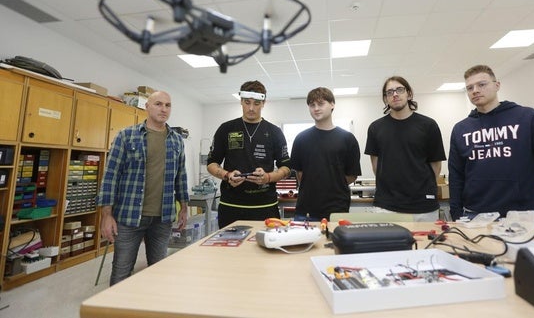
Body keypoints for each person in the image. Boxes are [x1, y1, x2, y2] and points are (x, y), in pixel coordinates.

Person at [98, 91, 189, 286]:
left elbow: (181, 176)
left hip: (162, 218)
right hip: (129, 217)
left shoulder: (176, 141)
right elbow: (110, 176)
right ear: (147, 107)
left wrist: (184, 207)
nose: (163, 109)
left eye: (168, 105)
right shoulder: (126, 136)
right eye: (158, 104)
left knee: (158, 272)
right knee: (121, 273)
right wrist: (106, 214)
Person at [448, 65, 534, 220]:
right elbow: (456, 176)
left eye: (482, 84)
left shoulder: (527, 117)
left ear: (497, 85)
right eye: (469, 88)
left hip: (522, 213)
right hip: (475, 214)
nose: (475, 90)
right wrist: (455, 213)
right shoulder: (461, 129)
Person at [207, 81, 291, 228]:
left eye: (257, 103)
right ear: (241, 101)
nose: (251, 108)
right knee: (230, 250)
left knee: (267, 248)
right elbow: (211, 163)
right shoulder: (226, 129)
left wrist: (268, 177)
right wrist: (227, 175)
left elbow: (286, 168)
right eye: (247, 102)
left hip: (265, 206)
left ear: (264, 102)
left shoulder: (275, 132)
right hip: (231, 206)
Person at [364, 76, 447, 221]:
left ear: (409, 94)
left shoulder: (428, 125)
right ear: (385, 99)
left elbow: (436, 166)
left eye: (399, 90)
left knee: (424, 244)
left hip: (423, 206)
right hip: (386, 206)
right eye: (389, 92)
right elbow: (376, 165)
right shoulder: (375, 128)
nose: (395, 94)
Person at [291, 87, 362, 221]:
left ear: (332, 104)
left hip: (337, 209)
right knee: (302, 242)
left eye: (321, 103)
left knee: (335, 242)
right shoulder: (301, 139)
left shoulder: (347, 139)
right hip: (306, 209)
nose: (316, 108)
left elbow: (352, 175)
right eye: (312, 105)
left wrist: (331, 183)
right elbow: (299, 174)